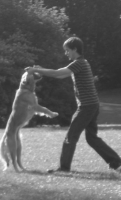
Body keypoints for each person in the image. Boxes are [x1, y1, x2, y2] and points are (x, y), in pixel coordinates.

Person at [25, 36, 121, 173]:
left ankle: (64, 168)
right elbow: (59, 75)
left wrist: (38, 71)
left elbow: (59, 73)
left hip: (87, 106)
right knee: (92, 138)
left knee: (71, 137)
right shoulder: (82, 63)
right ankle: (116, 162)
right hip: (92, 105)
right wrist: (41, 70)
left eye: (67, 50)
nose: (66, 53)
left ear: (75, 49)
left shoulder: (79, 63)